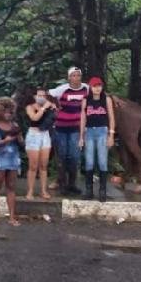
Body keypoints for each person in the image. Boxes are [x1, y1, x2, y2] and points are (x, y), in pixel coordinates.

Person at [49, 67, 89, 195]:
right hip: (61, 128)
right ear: (69, 77)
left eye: (78, 75)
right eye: (73, 76)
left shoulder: (86, 89)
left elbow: (100, 96)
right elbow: (47, 95)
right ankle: (62, 183)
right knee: (62, 156)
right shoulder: (62, 89)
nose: (76, 78)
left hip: (76, 129)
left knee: (75, 156)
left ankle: (72, 184)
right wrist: (54, 105)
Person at [0, 97, 23, 227]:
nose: (8, 114)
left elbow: (22, 143)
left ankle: (12, 217)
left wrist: (18, 137)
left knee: (11, 187)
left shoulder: (15, 126)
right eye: (5, 111)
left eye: (10, 111)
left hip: (13, 159)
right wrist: (4, 141)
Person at [79, 76, 116, 202]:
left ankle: (102, 190)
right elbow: (83, 118)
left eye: (99, 85)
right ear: (90, 87)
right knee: (89, 161)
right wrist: (81, 137)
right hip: (89, 131)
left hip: (102, 131)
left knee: (102, 162)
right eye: (94, 86)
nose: (97, 88)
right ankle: (89, 190)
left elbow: (111, 117)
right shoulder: (86, 99)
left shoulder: (106, 99)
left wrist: (111, 135)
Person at [24, 87, 56, 200]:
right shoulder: (30, 107)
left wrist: (53, 109)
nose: (41, 97)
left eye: (44, 96)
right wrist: (43, 108)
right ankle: (30, 191)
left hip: (45, 135)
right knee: (33, 166)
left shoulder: (49, 107)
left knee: (43, 165)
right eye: (39, 95)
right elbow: (34, 118)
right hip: (33, 135)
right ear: (35, 96)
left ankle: (43, 191)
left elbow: (54, 119)